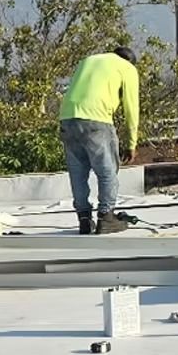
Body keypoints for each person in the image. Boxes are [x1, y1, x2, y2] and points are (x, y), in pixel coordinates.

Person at [59, 45, 140, 236]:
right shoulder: (127, 68)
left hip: (67, 118)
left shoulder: (88, 61)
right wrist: (131, 144)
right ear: (129, 61)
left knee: (78, 172)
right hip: (96, 120)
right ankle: (106, 217)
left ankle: (84, 219)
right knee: (107, 171)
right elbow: (131, 108)